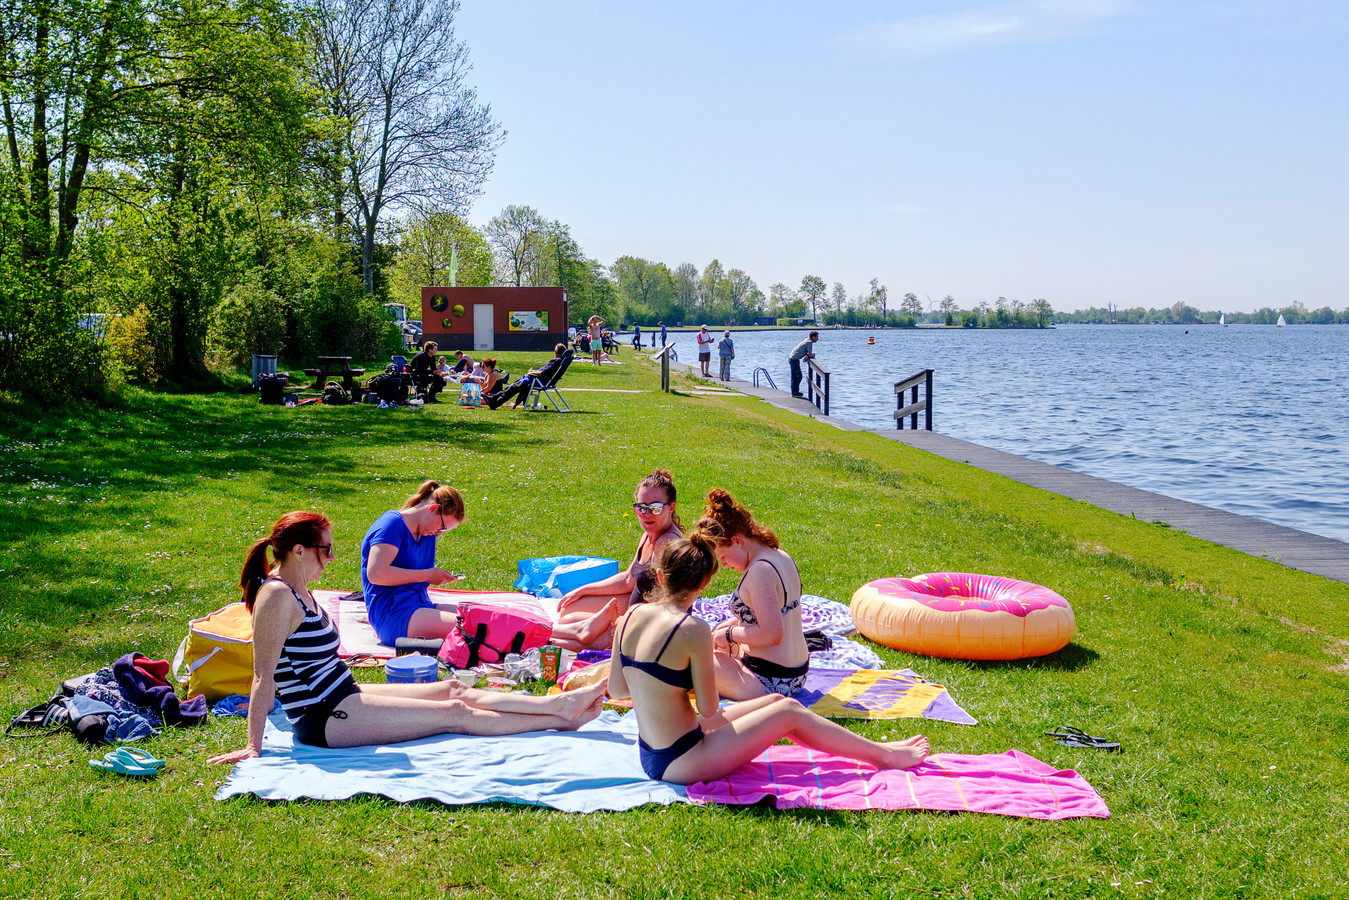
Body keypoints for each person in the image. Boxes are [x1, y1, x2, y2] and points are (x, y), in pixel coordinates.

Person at [207, 511, 607, 763]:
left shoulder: (301, 589)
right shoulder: (276, 597)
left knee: (453, 689)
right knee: (456, 715)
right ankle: (559, 719)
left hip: (345, 693)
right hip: (324, 717)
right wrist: (254, 747)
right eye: (325, 550)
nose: (331, 558)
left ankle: (560, 705)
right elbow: (264, 676)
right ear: (297, 551)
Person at [608, 535, 930, 784]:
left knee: (776, 701)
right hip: (682, 759)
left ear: (661, 577)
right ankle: (883, 756)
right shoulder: (693, 629)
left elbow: (618, 689)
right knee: (787, 710)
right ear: (704, 583)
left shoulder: (630, 615)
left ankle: (880, 752)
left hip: (650, 750)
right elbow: (709, 709)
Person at [360, 481, 618, 648]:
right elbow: (377, 574)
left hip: (417, 605)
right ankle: (578, 641)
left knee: (491, 613)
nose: (438, 534)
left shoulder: (424, 531)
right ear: (432, 509)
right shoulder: (391, 525)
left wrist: (427, 577)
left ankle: (572, 629)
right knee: (482, 627)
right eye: (441, 528)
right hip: (394, 616)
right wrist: (427, 574)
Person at [691, 489, 811, 699]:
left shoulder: (759, 572)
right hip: (794, 674)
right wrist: (733, 626)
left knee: (688, 663)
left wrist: (730, 635)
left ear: (737, 541)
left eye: (723, 556)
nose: (725, 565)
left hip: (769, 680)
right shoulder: (779, 555)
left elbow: (772, 634)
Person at [553, 470, 685, 651]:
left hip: (650, 627)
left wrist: (622, 622)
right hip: (634, 611)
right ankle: (586, 634)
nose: (647, 514)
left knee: (560, 638)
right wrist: (583, 590)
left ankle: (585, 639)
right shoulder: (649, 535)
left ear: (671, 507)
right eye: (641, 508)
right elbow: (628, 579)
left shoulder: (668, 544)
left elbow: (671, 604)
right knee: (568, 613)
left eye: (655, 508)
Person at [483, 343, 568, 410]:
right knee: (511, 388)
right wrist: (533, 372)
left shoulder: (556, 361)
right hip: (541, 380)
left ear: (556, 352)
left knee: (512, 388)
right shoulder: (560, 362)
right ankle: (494, 401)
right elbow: (546, 372)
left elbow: (544, 372)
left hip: (537, 381)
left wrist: (532, 373)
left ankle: (493, 400)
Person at [788, 331, 818, 398]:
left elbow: (807, 353)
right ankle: (795, 392)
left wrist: (807, 356)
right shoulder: (809, 342)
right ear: (813, 337)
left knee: (794, 376)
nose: (817, 339)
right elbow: (810, 354)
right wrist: (812, 355)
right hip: (794, 359)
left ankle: (794, 392)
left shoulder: (807, 340)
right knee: (798, 376)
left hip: (792, 358)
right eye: (816, 337)